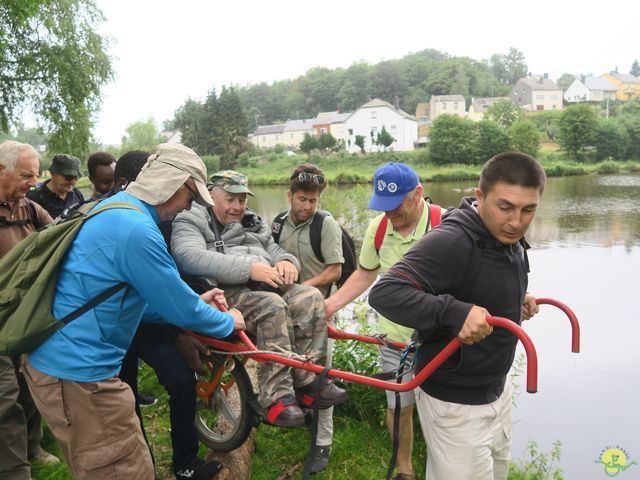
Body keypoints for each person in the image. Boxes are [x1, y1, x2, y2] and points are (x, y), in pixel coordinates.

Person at [22, 143, 245, 480]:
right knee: (127, 470)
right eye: (190, 197)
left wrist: (194, 303)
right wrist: (227, 320)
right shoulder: (137, 230)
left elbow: (135, 303)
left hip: (60, 368)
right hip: (79, 377)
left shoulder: (117, 209)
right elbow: (184, 313)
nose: (187, 207)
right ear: (176, 184)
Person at [369, 152, 546, 480]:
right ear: (480, 197)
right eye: (505, 207)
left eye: (528, 210)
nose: (516, 221)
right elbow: (386, 293)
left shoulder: (507, 238)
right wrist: (454, 312)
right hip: (454, 403)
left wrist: (514, 299)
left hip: (496, 389)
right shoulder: (451, 240)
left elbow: (479, 279)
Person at [171, 170, 347, 429]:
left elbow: (272, 248)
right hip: (223, 293)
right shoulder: (191, 217)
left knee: (310, 296)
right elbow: (188, 256)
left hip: (265, 284)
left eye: (242, 200)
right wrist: (249, 268)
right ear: (211, 196)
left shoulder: (251, 219)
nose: (238, 207)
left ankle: (308, 380)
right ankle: (276, 397)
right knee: (272, 305)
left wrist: (287, 261)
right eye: (230, 200)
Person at [325, 162, 441, 480]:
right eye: (383, 207)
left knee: (441, 413)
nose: (390, 215)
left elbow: (479, 272)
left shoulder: (445, 223)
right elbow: (365, 273)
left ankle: (443, 470)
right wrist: (330, 305)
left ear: (417, 194)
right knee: (399, 407)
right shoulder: (379, 227)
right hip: (394, 339)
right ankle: (404, 470)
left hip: (439, 341)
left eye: (396, 206)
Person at [114, 149, 221, 480]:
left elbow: (172, 280)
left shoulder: (164, 221)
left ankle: (185, 464)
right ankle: (143, 463)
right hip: (119, 325)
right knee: (124, 397)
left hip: (152, 321)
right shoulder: (126, 221)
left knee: (180, 379)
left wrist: (181, 329)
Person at [272, 164, 344, 473]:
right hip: (288, 313)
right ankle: (301, 420)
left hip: (320, 314)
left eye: (313, 200)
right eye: (302, 199)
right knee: (294, 370)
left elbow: (335, 270)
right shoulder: (276, 225)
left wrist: (301, 289)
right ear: (289, 196)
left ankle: (322, 444)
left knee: (320, 378)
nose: (308, 206)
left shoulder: (324, 224)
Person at [0, 140, 57, 480]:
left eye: (35, 176)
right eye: (26, 175)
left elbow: (58, 236)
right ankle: (15, 471)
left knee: (29, 383)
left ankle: (31, 447)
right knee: (5, 393)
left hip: (25, 316)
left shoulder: (30, 209)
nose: (33, 184)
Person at [26, 153, 85, 218]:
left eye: (76, 177)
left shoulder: (77, 194)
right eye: (68, 177)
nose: (73, 182)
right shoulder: (34, 198)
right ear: (53, 173)